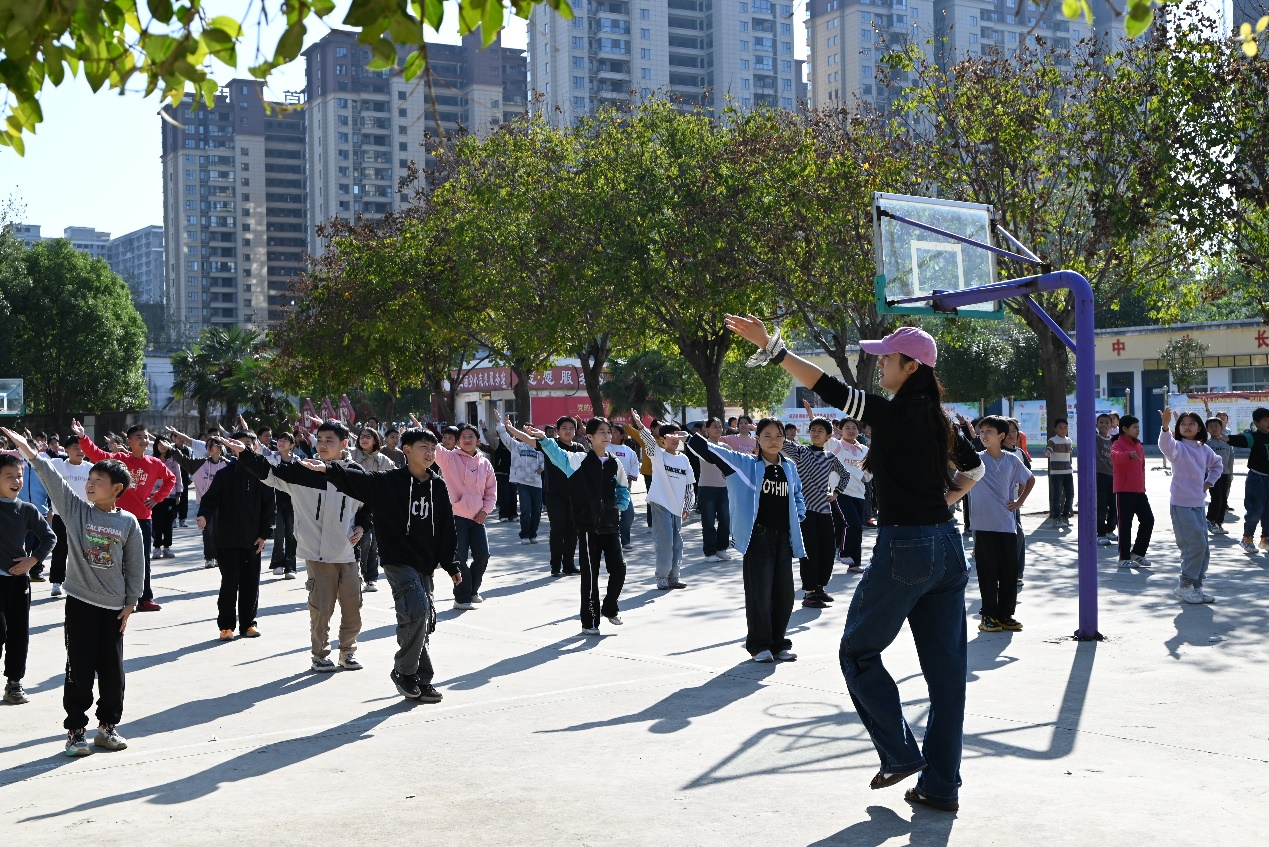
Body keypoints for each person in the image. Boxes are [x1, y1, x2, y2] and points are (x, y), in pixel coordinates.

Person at [726, 317, 982, 813]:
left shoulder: (892, 414)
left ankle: (900, 754)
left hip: (904, 547)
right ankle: (941, 786)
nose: (880, 363)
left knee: (858, 653)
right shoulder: (941, 421)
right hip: (947, 550)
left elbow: (829, 388)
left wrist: (774, 349)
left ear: (911, 366)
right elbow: (974, 469)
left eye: (887, 358)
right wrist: (946, 504)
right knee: (946, 679)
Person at [288, 428, 461, 703]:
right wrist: (329, 471)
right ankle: (404, 672)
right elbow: (360, 480)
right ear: (406, 449)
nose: (429, 452)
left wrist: (451, 563)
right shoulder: (390, 481)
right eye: (423, 447)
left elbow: (446, 528)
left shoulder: (437, 486)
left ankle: (421, 679)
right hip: (398, 561)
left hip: (424, 564)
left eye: (433, 447)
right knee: (416, 609)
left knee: (422, 619)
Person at [4, 428, 143, 756]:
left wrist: (132, 601)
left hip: (113, 610)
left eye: (98, 480)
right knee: (78, 671)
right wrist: (25, 448)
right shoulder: (77, 511)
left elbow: (136, 566)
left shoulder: (128, 524)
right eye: (90, 478)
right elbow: (49, 474)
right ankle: (76, 731)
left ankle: (107, 728)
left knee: (112, 673)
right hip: (80, 605)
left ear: (117, 489)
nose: (90, 484)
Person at [233, 420, 370, 672]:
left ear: (344, 444)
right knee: (321, 608)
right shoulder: (301, 471)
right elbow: (268, 473)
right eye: (320, 440)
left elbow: (368, 505)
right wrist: (245, 454)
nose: (324, 445)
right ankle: (320, 654)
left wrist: (363, 526)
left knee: (353, 607)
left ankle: (348, 652)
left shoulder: (354, 474)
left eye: (330, 440)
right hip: (317, 554)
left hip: (348, 553)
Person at [688, 419, 807, 663]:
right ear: (758, 440)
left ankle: (779, 644)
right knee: (758, 593)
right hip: (758, 537)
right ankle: (759, 645)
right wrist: (689, 438)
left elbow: (797, 494)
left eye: (778, 435)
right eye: (767, 436)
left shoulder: (790, 467)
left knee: (784, 594)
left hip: (784, 537)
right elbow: (713, 452)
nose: (773, 440)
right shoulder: (746, 465)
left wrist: (800, 513)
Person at [504, 413, 629, 635]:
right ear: (589, 436)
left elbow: (622, 489)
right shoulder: (578, 460)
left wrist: (620, 506)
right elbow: (556, 453)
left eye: (609, 432)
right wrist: (544, 439)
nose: (607, 435)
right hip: (589, 526)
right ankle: (589, 621)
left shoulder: (615, 463)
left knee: (619, 569)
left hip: (611, 525)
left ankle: (610, 607)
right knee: (590, 575)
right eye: (601, 432)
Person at [73, 422, 176, 612]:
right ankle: (118, 596)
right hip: (117, 518)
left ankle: (145, 598)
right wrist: (82, 437)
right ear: (129, 442)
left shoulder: (155, 463)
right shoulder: (120, 460)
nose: (144, 440)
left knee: (141, 559)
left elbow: (171, 479)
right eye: (139, 437)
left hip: (143, 519)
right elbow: (98, 455)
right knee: (115, 558)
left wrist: (157, 498)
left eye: (146, 437)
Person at [197, 434, 275, 640]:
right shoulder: (225, 475)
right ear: (232, 448)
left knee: (250, 582)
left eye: (248, 445)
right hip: (227, 539)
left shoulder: (263, 476)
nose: (243, 449)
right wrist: (203, 515)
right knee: (230, 581)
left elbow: (269, 507)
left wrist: (264, 534)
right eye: (239, 445)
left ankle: (248, 624)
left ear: (255, 447)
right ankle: (226, 626)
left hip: (252, 540)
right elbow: (210, 499)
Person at [0, 453, 56, 705]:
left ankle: (14, 683)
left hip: (17, 582)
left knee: (18, 633)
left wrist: (32, 561)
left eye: (19, 476)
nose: (16, 480)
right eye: (8, 476)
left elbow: (49, 537)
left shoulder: (27, 510)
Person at [970, 416, 1034, 632]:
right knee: (988, 572)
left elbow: (1030, 479)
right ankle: (988, 616)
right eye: (982, 431)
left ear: (1001, 436)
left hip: (1006, 525)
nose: (984, 435)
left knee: (1008, 572)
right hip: (983, 525)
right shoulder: (975, 459)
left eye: (989, 431)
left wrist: (1019, 502)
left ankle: (1005, 615)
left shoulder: (1012, 460)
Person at [779, 416, 851, 608]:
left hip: (825, 511)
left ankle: (819, 588)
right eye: (813, 430)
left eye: (820, 431)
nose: (816, 433)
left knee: (827, 550)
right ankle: (809, 593)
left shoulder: (830, 457)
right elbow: (781, 441)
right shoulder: (801, 452)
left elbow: (845, 475)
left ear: (828, 436)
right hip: (806, 511)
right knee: (810, 552)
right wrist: (765, 429)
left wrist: (836, 493)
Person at [1158, 407, 1223, 604]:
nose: (1187, 427)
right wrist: (1165, 426)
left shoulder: (1204, 448)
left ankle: (1197, 587)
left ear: (1199, 427)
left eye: (1191, 424)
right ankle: (1184, 586)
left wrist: (1208, 482)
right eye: (1183, 424)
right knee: (1194, 546)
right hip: (1181, 505)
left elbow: (1217, 464)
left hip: (1198, 504)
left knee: (1203, 547)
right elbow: (1165, 446)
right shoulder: (1178, 447)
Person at [432, 423, 497, 610]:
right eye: (463, 437)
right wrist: (422, 430)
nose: (467, 440)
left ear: (478, 440)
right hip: (456, 516)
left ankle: (472, 591)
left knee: (483, 555)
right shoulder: (449, 458)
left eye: (471, 436)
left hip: (478, 518)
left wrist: (485, 511)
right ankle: (461, 598)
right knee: (459, 558)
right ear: (458, 441)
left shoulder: (485, 463)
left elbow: (491, 491)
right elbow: (434, 447)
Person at [629, 413, 696, 591]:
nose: (675, 439)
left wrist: (688, 505)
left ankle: (674, 577)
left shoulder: (684, 459)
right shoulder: (658, 455)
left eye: (677, 435)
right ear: (663, 438)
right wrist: (640, 425)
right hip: (660, 504)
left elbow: (689, 484)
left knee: (677, 542)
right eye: (671, 436)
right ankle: (662, 577)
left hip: (677, 507)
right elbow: (649, 442)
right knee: (664, 541)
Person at [167, 430, 230, 569]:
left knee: (221, 532)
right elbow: (184, 461)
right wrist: (172, 450)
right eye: (208, 445)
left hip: (224, 505)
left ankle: (220, 556)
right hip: (205, 504)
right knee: (208, 531)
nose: (209, 447)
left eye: (213, 444)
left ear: (220, 447)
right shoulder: (200, 463)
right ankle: (209, 557)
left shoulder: (229, 464)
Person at [47, 436, 93, 598]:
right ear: (65, 451)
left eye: (82, 448)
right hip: (62, 515)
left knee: (84, 551)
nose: (80, 451)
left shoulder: (91, 468)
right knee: (60, 550)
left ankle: (82, 583)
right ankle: (56, 582)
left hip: (84, 516)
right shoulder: (58, 465)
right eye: (75, 447)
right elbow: (36, 461)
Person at [544, 417, 589, 576]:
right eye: (564, 427)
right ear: (557, 430)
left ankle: (568, 565)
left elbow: (592, 459)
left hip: (574, 495)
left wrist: (584, 433)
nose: (568, 431)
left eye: (571, 428)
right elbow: (529, 441)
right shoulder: (551, 445)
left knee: (572, 530)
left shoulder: (579, 447)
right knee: (558, 529)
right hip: (555, 494)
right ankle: (555, 566)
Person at [1111, 415, 1154, 568]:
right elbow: (1114, 456)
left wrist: (1142, 487)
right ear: (1124, 428)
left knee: (1148, 520)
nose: (1138, 430)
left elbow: (1141, 469)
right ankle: (1123, 558)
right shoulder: (1118, 443)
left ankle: (1137, 553)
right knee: (1125, 524)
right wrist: (1127, 455)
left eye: (1138, 427)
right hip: (1123, 491)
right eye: (1134, 427)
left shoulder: (1139, 446)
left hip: (1139, 491)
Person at [1225, 408, 1269, 555]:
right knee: (1255, 510)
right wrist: (1226, 438)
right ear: (1256, 423)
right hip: (1257, 479)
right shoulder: (1254, 437)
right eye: (1266, 420)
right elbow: (1242, 440)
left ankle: (1265, 539)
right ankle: (1247, 538)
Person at [688, 418, 732, 563]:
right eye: (714, 427)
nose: (718, 429)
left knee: (725, 520)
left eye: (720, 427)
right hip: (706, 487)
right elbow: (692, 444)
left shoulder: (726, 448)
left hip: (724, 488)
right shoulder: (703, 446)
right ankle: (710, 552)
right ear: (706, 429)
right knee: (708, 521)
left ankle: (721, 549)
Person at [830, 416, 870, 574]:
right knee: (851, 523)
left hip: (859, 493)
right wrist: (812, 417)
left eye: (854, 428)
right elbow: (824, 436)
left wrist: (866, 477)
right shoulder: (837, 445)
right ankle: (843, 553)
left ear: (858, 430)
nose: (851, 430)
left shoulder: (864, 450)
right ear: (840, 430)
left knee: (858, 528)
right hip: (841, 492)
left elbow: (869, 470)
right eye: (847, 428)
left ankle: (855, 564)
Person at [497, 416, 546, 545]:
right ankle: (524, 534)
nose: (526, 434)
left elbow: (548, 458)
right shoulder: (516, 446)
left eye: (529, 432)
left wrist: (542, 468)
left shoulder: (539, 446)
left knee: (536, 511)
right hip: (523, 482)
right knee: (526, 509)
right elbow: (504, 436)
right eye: (524, 432)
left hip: (537, 483)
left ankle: (533, 534)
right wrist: (500, 423)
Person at [264, 432, 299, 578]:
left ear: (292, 445)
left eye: (286, 440)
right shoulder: (273, 457)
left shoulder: (298, 462)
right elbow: (260, 448)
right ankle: (278, 564)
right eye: (279, 440)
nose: (281, 442)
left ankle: (290, 567)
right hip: (276, 501)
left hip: (293, 502)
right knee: (279, 534)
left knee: (291, 534)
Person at [608, 425, 640, 551]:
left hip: (624, 489)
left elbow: (634, 465)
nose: (611, 434)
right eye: (610, 432)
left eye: (615, 432)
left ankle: (625, 540)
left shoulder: (629, 451)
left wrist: (631, 478)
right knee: (610, 515)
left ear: (622, 435)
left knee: (628, 514)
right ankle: (611, 541)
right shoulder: (605, 447)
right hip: (608, 488)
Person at [150, 436, 183, 560]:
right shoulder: (151, 459)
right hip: (154, 496)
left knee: (169, 523)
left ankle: (167, 548)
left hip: (171, 495)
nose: (162, 446)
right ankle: (157, 547)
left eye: (165, 443)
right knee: (157, 523)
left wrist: (178, 494)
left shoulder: (173, 459)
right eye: (160, 444)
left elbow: (178, 477)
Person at [1205, 417, 1234, 535]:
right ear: (1207, 429)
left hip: (1225, 475)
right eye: (1211, 427)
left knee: (1224, 500)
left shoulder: (1228, 444)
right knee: (1216, 499)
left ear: (1221, 427)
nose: (1214, 428)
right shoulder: (1207, 444)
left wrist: (1230, 476)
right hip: (1212, 476)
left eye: (1216, 426)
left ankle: (1219, 523)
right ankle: (1210, 521)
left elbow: (1230, 461)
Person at [1094, 414, 1118, 546]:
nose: (1104, 425)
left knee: (1114, 506)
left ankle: (1110, 530)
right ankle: (1100, 534)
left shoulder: (1113, 441)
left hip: (1113, 476)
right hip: (1100, 475)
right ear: (1096, 424)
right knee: (1101, 506)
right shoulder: (1095, 438)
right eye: (1101, 422)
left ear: (1111, 425)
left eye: (1106, 422)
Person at [1045, 419, 1074, 526]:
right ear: (1055, 429)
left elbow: (1070, 455)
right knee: (1057, 495)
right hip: (1056, 473)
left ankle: (1065, 516)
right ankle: (1056, 518)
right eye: (1060, 427)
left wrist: (1071, 466)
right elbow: (1049, 448)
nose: (1063, 430)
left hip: (1068, 472)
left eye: (1065, 427)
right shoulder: (1053, 440)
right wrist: (1048, 452)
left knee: (1070, 494)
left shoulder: (1069, 440)